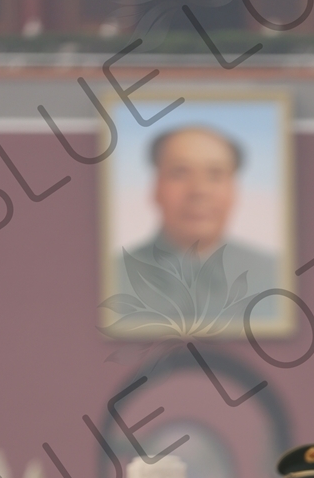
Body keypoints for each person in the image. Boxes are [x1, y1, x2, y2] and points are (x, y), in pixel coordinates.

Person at [111, 125, 279, 331]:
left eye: (215, 175)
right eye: (179, 173)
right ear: (156, 188)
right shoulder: (111, 278)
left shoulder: (277, 277)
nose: (199, 191)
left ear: (234, 191)